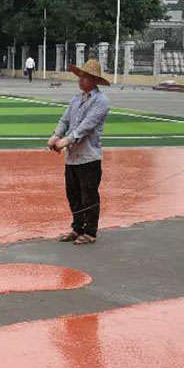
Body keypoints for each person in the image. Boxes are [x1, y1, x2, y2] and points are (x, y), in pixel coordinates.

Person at [48, 58, 111, 245]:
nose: (80, 80)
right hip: (72, 158)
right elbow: (64, 120)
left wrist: (65, 141)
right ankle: (77, 228)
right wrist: (55, 135)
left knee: (88, 195)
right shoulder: (76, 99)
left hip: (89, 157)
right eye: (80, 76)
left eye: (84, 77)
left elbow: (86, 127)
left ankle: (90, 231)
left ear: (93, 80)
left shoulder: (101, 102)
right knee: (73, 195)